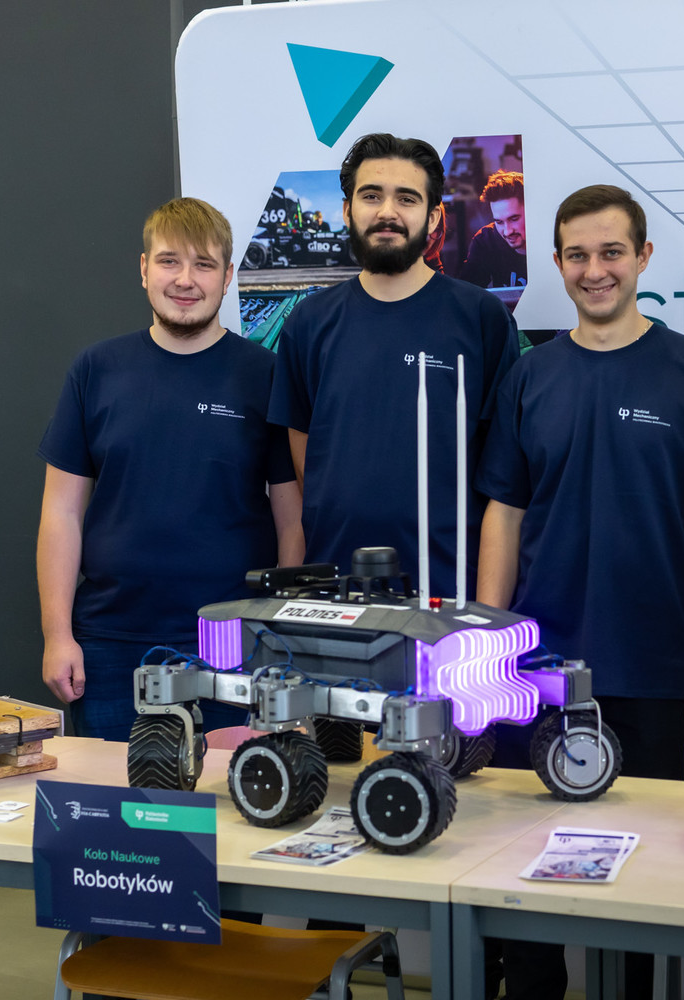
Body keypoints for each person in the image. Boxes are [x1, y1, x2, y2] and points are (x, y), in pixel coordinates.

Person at [475, 184, 684, 1000]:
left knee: (635, 883)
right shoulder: (530, 376)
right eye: (577, 255)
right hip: (537, 672)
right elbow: (504, 513)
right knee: (526, 882)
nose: (595, 270)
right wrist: (487, 644)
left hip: (653, 669)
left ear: (643, 257)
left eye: (612, 252)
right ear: (557, 262)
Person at [37, 197, 303, 741]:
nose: (185, 280)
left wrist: (278, 629)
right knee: (118, 795)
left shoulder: (266, 375)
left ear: (227, 276)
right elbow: (60, 513)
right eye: (169, 261)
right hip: (110, 645)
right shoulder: (96, 370)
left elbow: (292, 518)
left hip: (234, 644)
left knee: (234, 792)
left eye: (203, 264)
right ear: (144, 269)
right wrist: (57, 636)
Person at [270, 133, 520, 597]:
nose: (388, 212)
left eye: (407, 198)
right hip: (337, 589)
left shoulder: (481, 317)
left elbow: (502, 475)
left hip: (450, 590)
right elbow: (307, 463)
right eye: (371, 196)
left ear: (434, 216)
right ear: (347, 211)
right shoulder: (308, 322)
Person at [460, 170, 527, 289]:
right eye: (499, 222)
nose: (507, 231)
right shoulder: (485, 241)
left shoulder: (550, 238)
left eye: (514, 219)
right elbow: (466, 293)